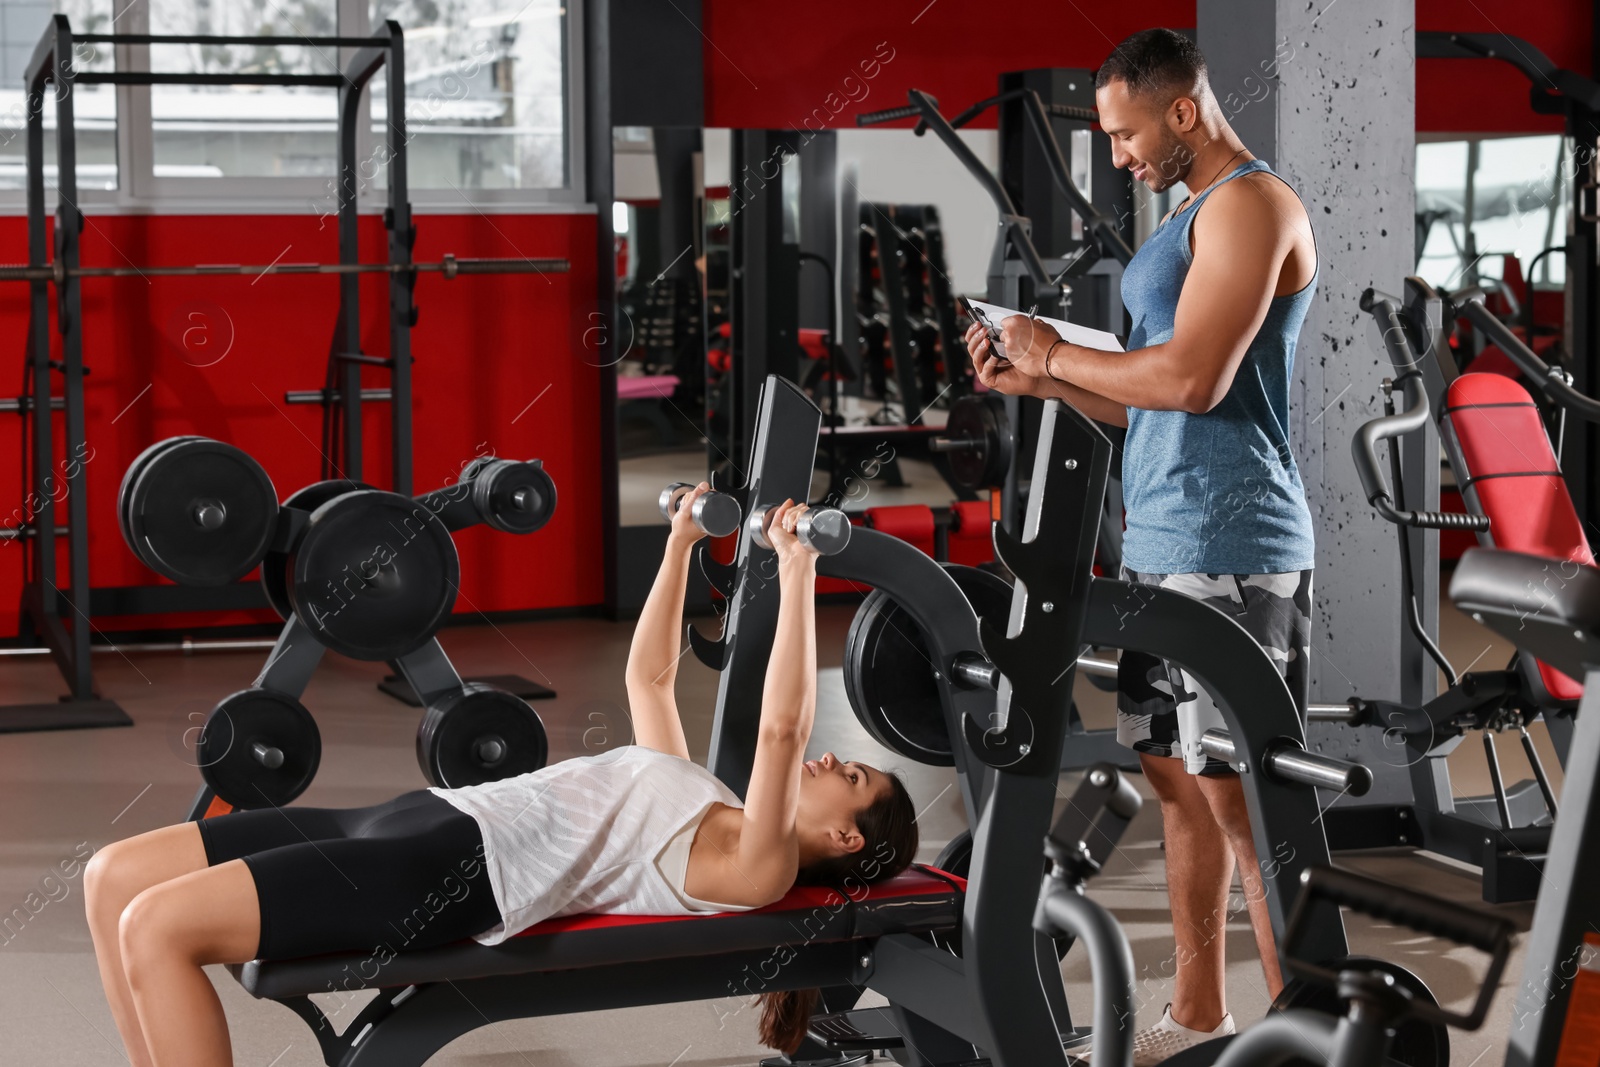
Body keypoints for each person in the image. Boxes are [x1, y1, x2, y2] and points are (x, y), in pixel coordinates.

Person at [84, 488, 919, 1067]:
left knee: (160, 927)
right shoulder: (704, 794)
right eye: (844, 758)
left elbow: (782, 726)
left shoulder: (756, 867)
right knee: (110, 876)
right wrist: (679, 545)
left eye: (847, 774)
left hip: (446, 873)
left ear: (844, 836)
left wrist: (800, 568)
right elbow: (650, 681)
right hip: (422, 817)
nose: (827, 760)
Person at [965, 27, 1317, 1067]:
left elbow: (1195, 380)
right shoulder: (1190, 220)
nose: (1116, 157)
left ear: (1180, 112)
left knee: (1243, 797)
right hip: (1162, 531)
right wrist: (1045, 380)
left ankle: (1309, 1027)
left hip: (1232, 535)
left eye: (1124, 135)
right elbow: (1148, 410)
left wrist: (1060, 346)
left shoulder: (1252, 206)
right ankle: (1201, 1006)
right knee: (1172, 775)